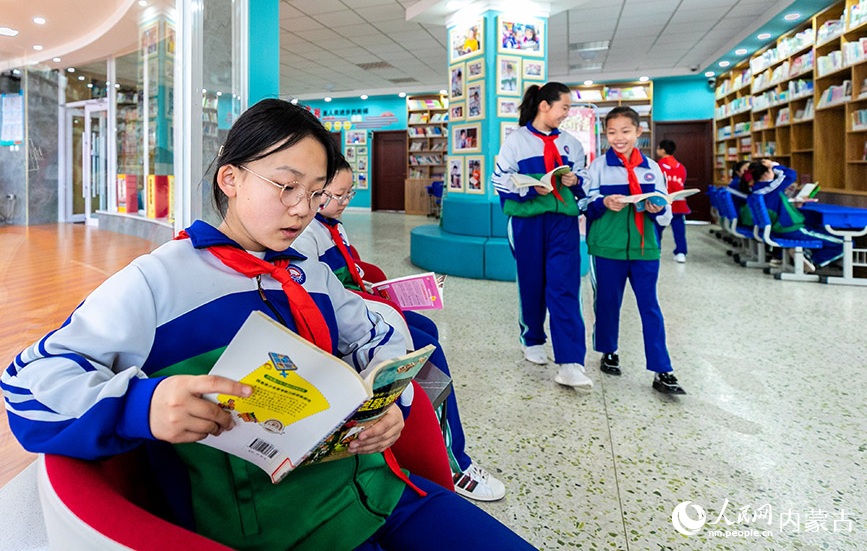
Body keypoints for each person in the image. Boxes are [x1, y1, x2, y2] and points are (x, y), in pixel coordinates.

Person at [2, 99, 535, 551]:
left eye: (317, 192)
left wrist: (388, 404)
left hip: (381, 489)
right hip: (281, 530)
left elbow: (381, 327)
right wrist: (140, 405)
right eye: (285, 186)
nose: (303, 209)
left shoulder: (308, 272)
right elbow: (28, 383)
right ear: (229, 179)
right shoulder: (158, 282)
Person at [293, 157, 506, 502]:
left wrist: (387, 290)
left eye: (350, 193)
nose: (345, 202)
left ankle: (446, 435)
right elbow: (328, 296)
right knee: (426, 351)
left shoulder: (334, 225)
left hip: (367, 308)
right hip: (355, 324)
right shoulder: (307, 234)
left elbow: (351, 275)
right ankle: (454, 461)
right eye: (337, 194)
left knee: (428, 330)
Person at [491, 82, 591, 389]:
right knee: (532, 284)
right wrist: (529, 186)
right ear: (544, 106)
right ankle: (532, 338)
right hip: (527, 222)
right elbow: (499, 180)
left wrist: (575, 179)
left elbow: (586, 180)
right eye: (563, 107)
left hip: (562, 223)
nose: (566, 113)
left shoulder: (571, 144)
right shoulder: (515, 142)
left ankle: (570, 362)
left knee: (565, 287)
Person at [584, 106, 686, 395]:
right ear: (605, 134)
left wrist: (658, 208)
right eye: (612, 132)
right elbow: (584, 206)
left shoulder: (652, 169)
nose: (619, 138)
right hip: (606, 248)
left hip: (645, 249)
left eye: (625, 131)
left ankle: (662, 368)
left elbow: (665, 215)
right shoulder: (598, 167)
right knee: (606, 303)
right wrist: (603, 203)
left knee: (650, 307)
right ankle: (608, 351)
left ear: (638, 132)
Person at [738, 159, 843, 271]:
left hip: (777, 230)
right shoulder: (770, 187)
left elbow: (775, 205)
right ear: (765, 174)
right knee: (844, 243)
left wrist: (794, 204)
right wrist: (774, 165)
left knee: (815, 229)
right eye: (770, 171)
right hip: (789, 229)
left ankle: (795, 256)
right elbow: (790, 175)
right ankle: (812, 261)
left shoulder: (756, 190)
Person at [655, 139, 689, 263]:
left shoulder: (658, 166)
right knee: (679, 230)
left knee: (657, 228)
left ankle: (656, 250)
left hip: (663, 202)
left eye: (658, 148)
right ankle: (681, 252)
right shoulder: (681, 167)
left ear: (663, 151)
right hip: (679, 202)